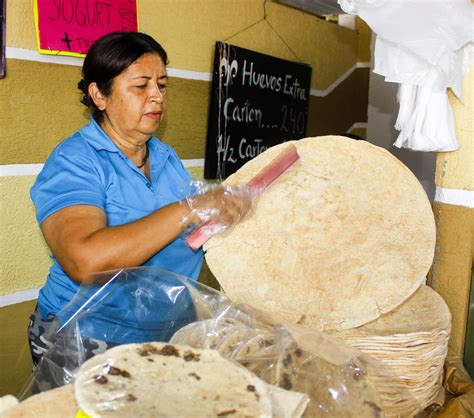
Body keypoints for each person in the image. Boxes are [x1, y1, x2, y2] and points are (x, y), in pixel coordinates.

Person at [28, 32, 254, 367]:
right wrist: (190, 209)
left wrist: (224, 211)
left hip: (164, 332)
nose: (157, 97)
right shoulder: (76, 160)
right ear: (99, 95)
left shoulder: (164, 156)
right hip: (89, 335)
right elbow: (84, 260)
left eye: (161, 85)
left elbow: (182, 231)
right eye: (141, 86)